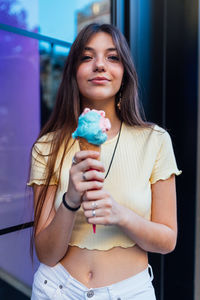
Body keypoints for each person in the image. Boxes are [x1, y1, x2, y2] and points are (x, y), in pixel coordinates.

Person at [27, 23, 181, 300]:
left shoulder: (154, 140)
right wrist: (71, 200)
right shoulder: (46, 147)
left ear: (125, 73)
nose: (99, 65)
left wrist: (121, 215)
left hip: (130, 292)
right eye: (87, 57)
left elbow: (167, 241)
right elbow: (46, 254)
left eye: (112, 57)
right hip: (56, 289)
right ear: (73, 72)